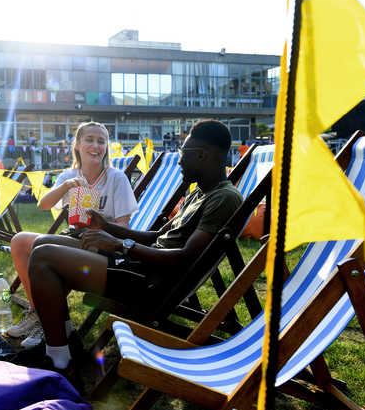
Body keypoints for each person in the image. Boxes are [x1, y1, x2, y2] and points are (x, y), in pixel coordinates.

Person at [26, 119, 243, 376]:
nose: (180, 162)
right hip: (138, 264)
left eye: (183, 154)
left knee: (43, 257)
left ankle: (59, 361)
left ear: (203, 155)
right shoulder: (201, 193)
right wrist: (107, 227)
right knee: (42, 243)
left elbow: (185, 259)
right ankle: (65, 339)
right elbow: (158, 236)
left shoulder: (225, 198)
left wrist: (120, 245)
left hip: (147, 280)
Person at [7, 122, 137, 349]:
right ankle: (41, 314)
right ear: (77, 145)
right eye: (89, 140)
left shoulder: (117, 178)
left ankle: (48, 321)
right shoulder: (69, 175)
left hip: (103, 246)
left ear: (106, 147)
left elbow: (124, 226)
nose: (95, 145)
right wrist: (66, 186)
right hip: (74, 237)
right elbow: (45, 204)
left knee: (40, 251)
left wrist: (100, 226)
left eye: (101, 141)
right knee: (19, 242)